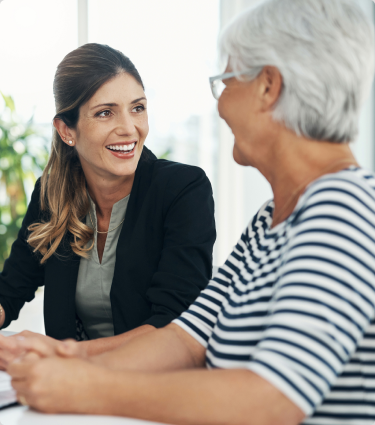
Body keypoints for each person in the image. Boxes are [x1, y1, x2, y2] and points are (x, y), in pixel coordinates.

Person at [6, 0, 375, 424]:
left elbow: (270, 400)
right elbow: (184, 338)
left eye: (226, 81)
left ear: (268, 87)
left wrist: (85, 385)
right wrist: (66, 355)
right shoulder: (271, 220)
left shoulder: (343, 210)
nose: (219, 105)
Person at [0, 43, 216, 364]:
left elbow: (173, 326)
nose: (129, 128)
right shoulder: (52, 193)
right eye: (105, 113)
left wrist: (61, 353)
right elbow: (11, 288)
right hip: (74, 393)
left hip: (161, 388)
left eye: (138, 108)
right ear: (66, 130)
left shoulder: (183, 190)